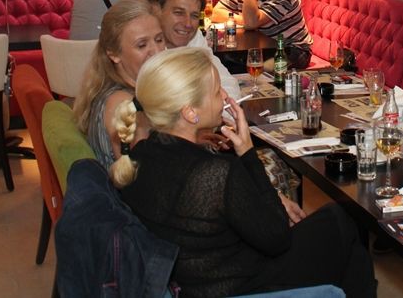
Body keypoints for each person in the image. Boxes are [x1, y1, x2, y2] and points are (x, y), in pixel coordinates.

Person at [112, 47, 376, 298]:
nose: (224, 98)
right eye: (216, 92)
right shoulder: (216, 173)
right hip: (241, 284)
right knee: (341, 221)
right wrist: (248, 153)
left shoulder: (137, 156)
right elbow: (278, 238)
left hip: (192, 279)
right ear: (190, 113)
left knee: (340, 237)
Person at [154, 0, 303, 205]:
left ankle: (277, 213)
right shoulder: (148, 52)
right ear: (157, 11)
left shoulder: (193, 39)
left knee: (276, 159)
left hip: (201, 142)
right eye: (178, 12)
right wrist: (201, 130)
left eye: (194, 15)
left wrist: (219, 125)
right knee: (268, 169)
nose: (187, 23)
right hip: (174, 163)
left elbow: (226, 83)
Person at [71, 0, 165, 170]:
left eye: (159, 40)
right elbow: (143, 174)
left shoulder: (116, 90)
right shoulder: (124, 104)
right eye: (142, 45)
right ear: (114, 54)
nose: (157, 51)